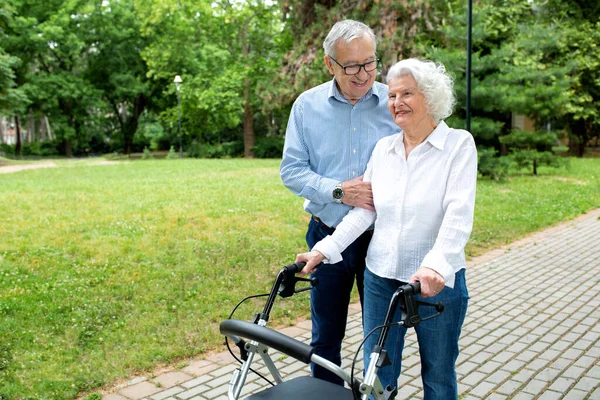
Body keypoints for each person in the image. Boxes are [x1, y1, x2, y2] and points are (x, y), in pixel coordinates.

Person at [296, 58, 477, 399]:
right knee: (377, 373)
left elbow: (458, 215)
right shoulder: (385, 148)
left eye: (407, 93)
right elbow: (366, 212)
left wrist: (435, 265)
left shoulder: (458, 145)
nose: (396, 102)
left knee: (438, 374)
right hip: (380, 277)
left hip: (436, 284)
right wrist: (325, 249)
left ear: (431, 97)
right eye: (392, 95)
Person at [280, 20, 400, 385]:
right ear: (329, 63)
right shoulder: (306, 106)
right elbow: (292, 171)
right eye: (351, 66)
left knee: (381, 342)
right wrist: (338, 191)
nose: (363, 74)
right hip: (325, 235)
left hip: (381, 240)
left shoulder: (394, 105)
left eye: (370, 63)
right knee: (325, 340)